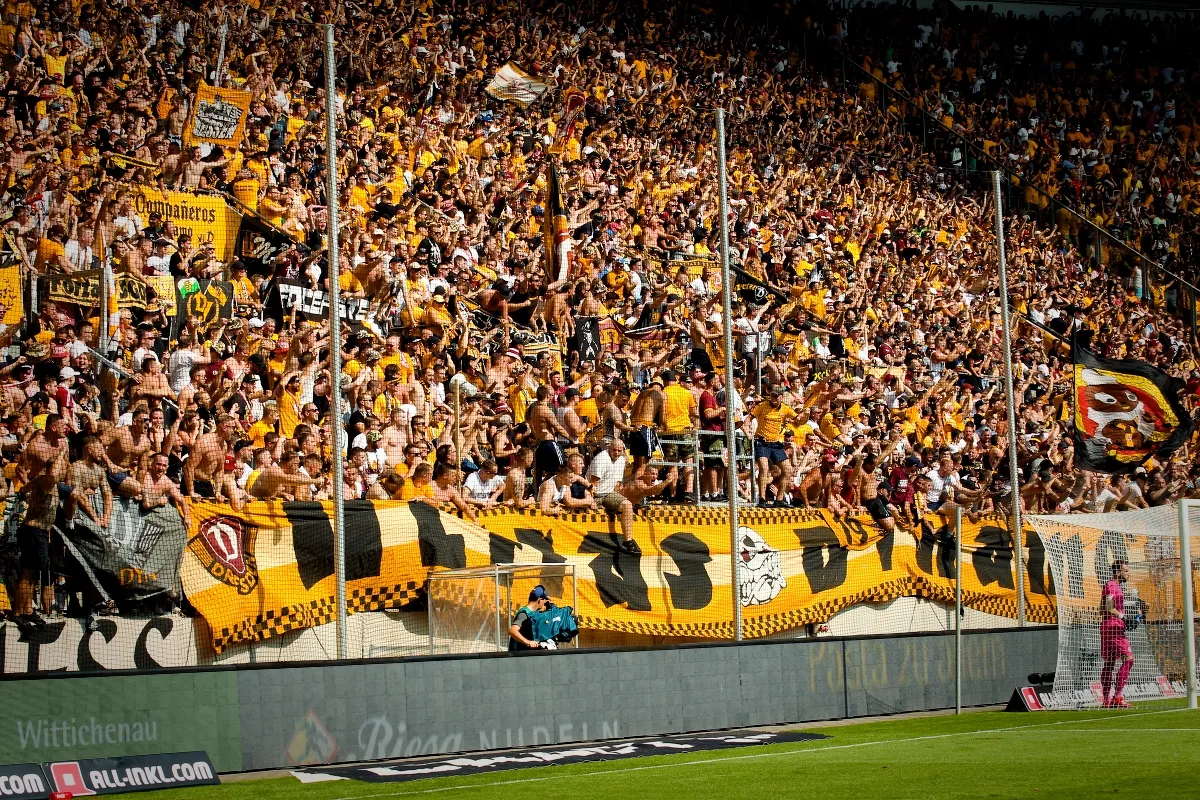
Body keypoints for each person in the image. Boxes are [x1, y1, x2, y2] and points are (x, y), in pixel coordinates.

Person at [1099, 560, 1136, 709]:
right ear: (1118, 572)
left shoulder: (1110, 586)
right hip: (1114, 628)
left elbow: (1101, 609)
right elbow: (1108, 607)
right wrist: (1123, 617)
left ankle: (1106, 700)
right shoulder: (1113, 586)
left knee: (1109, 663)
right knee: (1129, 659)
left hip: (1107, 627)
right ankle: (1117, 697)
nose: (1128, 573)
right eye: (1126, 571)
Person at [508, 584, 552, 651]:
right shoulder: (524, 613)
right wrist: (527, 641)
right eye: (544, 601)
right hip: (518, 655)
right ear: (539, 600)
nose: (544, 604)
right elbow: (512, 630)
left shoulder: (533, 613)